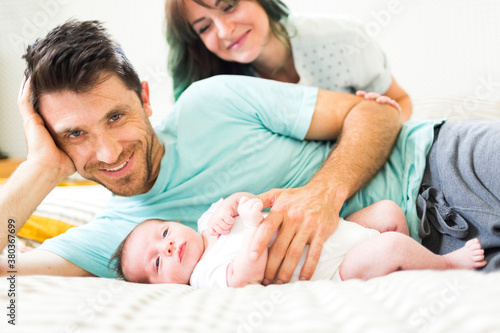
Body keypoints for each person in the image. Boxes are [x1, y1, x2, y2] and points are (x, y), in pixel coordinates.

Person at [1, 19, 499, 284]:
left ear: (145, 99)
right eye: (74, 134)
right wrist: (42, 168)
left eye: (115, 117)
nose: (108, 151)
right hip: (414, 251)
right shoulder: (115, 239)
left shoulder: (213, 100)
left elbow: (377, 113)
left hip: (440, 162)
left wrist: (322, 194)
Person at [112, 194, 486, 287]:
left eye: (163, 234)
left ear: (175, 224)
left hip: (332, 232)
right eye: (158, 262)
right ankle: (447, 264)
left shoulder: (209, 221)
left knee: (388, 211)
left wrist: (234, 203)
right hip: (332, 267)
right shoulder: (204, 276)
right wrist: (252, 224)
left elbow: (247, 198)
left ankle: (402, 270)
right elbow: (247, 269)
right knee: (389, 246)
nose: (169, 246)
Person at [165, 0, 413, 120]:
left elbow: (401, 101)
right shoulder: (220, 88)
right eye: (204, 27)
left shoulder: (343, 40)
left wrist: (382, 123)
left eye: (229, 6)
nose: (224, 30)